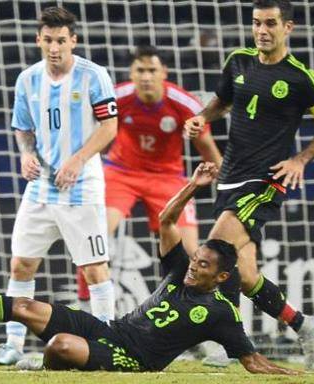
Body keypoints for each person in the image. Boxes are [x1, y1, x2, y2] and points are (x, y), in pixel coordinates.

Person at [0, 163, 298, 375]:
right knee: (28, 307)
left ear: (222, 278)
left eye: (204, 266)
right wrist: (192, 186)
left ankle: (44, 370)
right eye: (196, 260)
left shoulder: (221, 314)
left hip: (134, 360)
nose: (194, 267)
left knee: (59, 345)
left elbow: (253, 362)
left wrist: (289, 374)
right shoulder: (181, 267)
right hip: (112, 329)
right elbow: (166, 221)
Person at [184, 0, 314, 371]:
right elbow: (221, 102)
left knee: (215, 249)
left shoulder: (302, 78)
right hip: (230, 177)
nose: (262, 30)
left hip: (266, 180)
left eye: (270, 23)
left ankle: (229, 344)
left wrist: (300, 159)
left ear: (289, 28)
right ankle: (304, 325)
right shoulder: (238, 60)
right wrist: (200, 118)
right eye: (256, 23)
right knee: (246, 275)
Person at [74, 45, 226, 366]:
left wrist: (221, 183)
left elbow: (210, 154)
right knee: (94, 237)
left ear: (163, 74)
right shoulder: (118, 96)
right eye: (139, 71)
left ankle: (198, 335)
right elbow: (89, 129)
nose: (145, 77)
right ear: (131, 75)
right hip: (121, 173)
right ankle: (89, 315)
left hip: (167, 178)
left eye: (152, 71)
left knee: (193, 257)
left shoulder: (184, 104)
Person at [0, 6, 119, 365]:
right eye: (48, 40)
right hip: (41, 188)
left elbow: (110, 127)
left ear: (73, 41)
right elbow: (23, 129)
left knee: (93, 268)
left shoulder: (94, 76)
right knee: (21, 266)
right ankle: (13, 345)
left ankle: (107, 341)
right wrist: (25, 154)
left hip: (82, 188)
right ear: (39, 41)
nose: (55, 47)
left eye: (62, 40)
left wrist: (77, 160)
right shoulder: (27, 80)